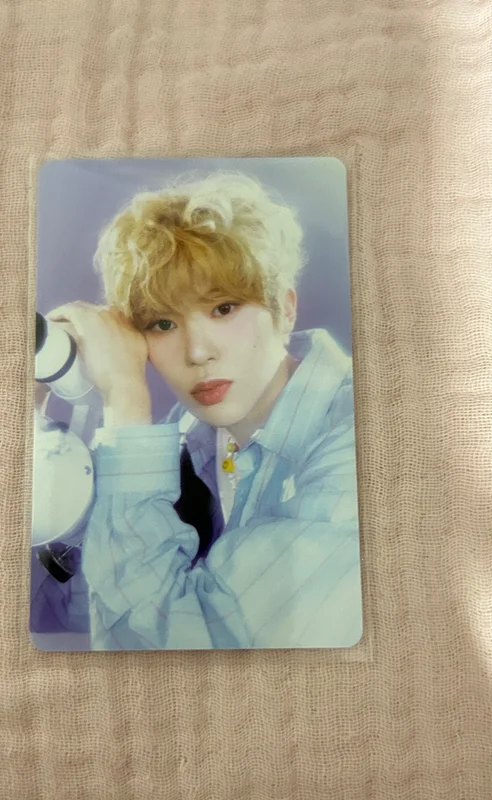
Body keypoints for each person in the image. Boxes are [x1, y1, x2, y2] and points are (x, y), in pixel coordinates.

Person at [46, 172, 363, 650]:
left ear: (285, 310)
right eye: (163, 323)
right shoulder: (189, 432)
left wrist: (126, 396)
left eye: (224, 309)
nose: (196, 352)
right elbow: (76, 606)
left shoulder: (362, 440)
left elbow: (188, 635)